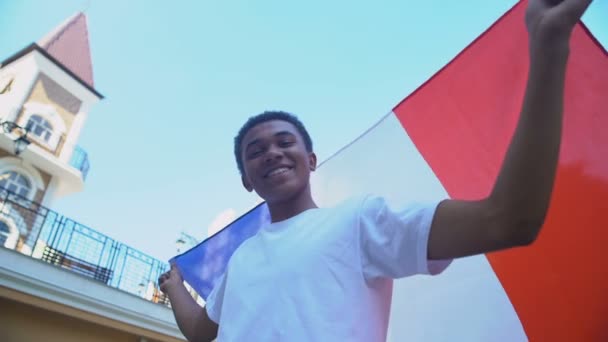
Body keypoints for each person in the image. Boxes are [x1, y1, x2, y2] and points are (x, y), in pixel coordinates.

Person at [159, 0, 593, 340]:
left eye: (285, 142)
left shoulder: (358, 221)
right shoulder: (241, 259)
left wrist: (548, 45)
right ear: (246, 181)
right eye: (255, 151)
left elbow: (507, 221)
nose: (271, 152)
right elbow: (201, 332)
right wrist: (174, 285)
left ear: (311, 161)